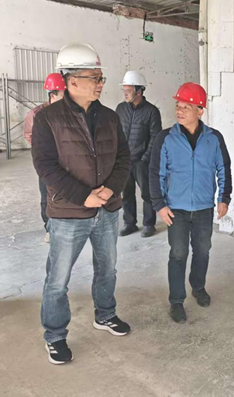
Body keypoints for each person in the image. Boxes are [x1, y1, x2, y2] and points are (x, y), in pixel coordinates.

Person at [32, 43, 132, 365]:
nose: (101, 83)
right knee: (58, 279)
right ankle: (55, 335)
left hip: (107, 210)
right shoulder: (48, 119)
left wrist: (111, 189)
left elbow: (124, 157)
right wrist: (83, 195)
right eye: (95, 77)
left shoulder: (110, 117)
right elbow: (45, 166)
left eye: (101, 78)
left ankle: (105, 314)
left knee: (107, 269)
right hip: (68, 214)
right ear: (72, 81)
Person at [149, 82, 232, 324]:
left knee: (203, 250)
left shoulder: (214, 138)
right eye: (178, 105)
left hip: (204, 207)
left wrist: (224, 198)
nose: (179, 110)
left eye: (186, 106)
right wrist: (159, 204)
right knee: (178, 253)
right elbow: (155, 173)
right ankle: (176, 300)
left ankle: (198, 287)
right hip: (176, 208)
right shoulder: (165, 138)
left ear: (200, 111)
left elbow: (223, 169)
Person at [116, 71, 162, 238]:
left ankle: (149, 224)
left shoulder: (151, 111)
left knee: (147, 193)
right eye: (124, 90)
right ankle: (129, 223)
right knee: (126, 194)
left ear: (139, 91)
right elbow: (116, 133)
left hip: (142, 161)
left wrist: (145, 159)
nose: (125, 94)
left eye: (128, 90)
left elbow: (155, 137)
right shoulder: (120, 109)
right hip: (124, 161)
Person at [24, 73, 65, 243]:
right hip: (47, 163)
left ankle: (66, 226)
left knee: (66, 193)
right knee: (46, 195)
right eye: (64, 94)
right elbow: (30, 136)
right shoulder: (36, 114)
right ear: (52, 94)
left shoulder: (68, 111)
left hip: (67, 160)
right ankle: (49, 227)